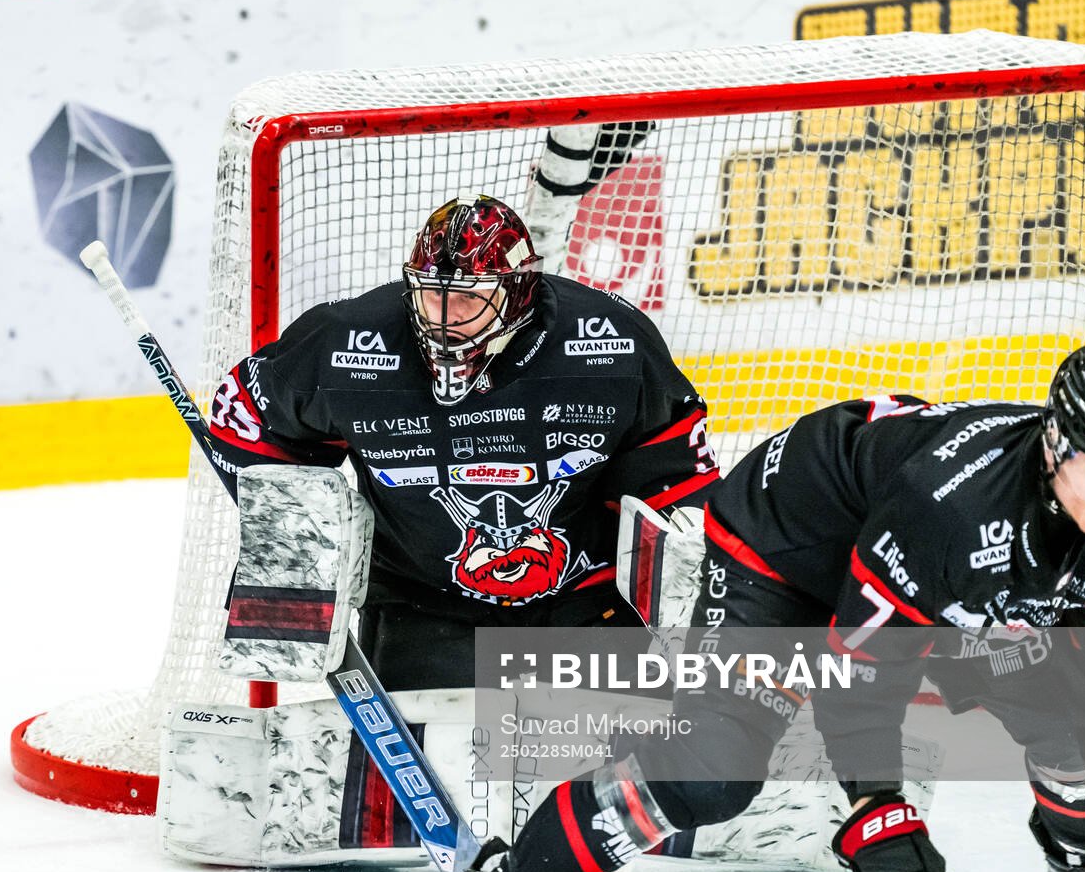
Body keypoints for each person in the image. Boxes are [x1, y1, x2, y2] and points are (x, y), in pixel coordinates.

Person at [418, 344, 1085, 872]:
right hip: (786, 551)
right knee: (712, 773)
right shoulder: (951, 509)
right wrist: (880, 814)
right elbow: (860, 675)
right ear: (1056, 445)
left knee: (1068, 704)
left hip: (921, 571)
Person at [202, 191, 718, 692]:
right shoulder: (349, 342)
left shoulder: (610, 339)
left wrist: (696, 601)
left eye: (469, 297)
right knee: (444, 774)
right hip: (420, 605)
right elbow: (246, 412)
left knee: (592, 769)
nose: (443, 318)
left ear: (517, 293)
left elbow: (674, 477)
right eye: (431, 294)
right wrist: (292, 533)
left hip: (587, 603)